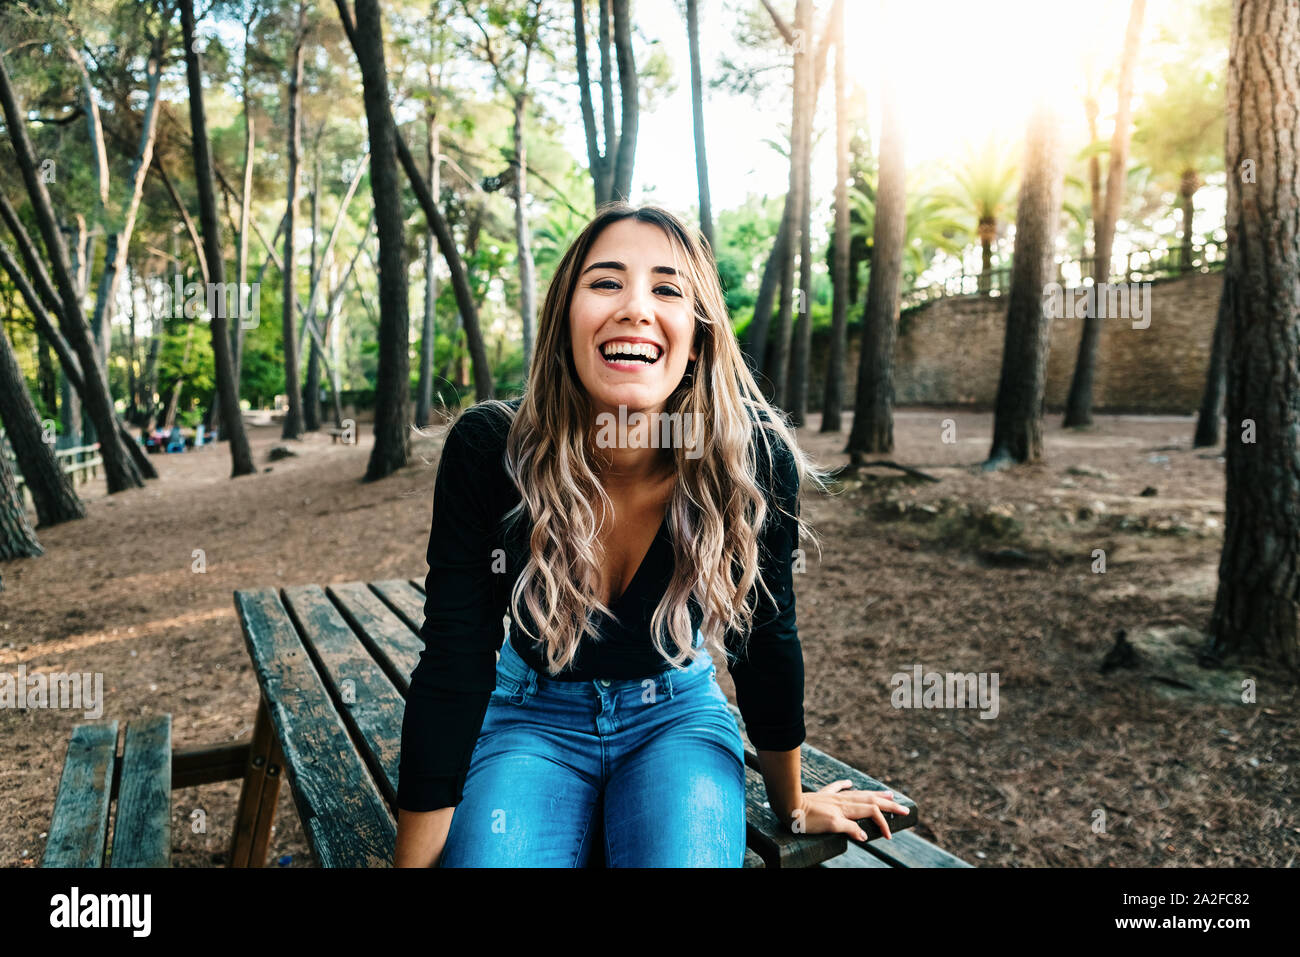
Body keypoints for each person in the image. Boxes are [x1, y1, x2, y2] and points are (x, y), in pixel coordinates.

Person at [394, 202, 910, 867]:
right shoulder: (492, 450)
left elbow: (767, 637)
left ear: (697, 332)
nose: (636, 306)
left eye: (667, 288)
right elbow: (454, 660)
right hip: (528, 718)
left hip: (676, 718)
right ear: (564, 320)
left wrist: (792, 801)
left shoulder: (750, 457)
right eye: (605, 281)